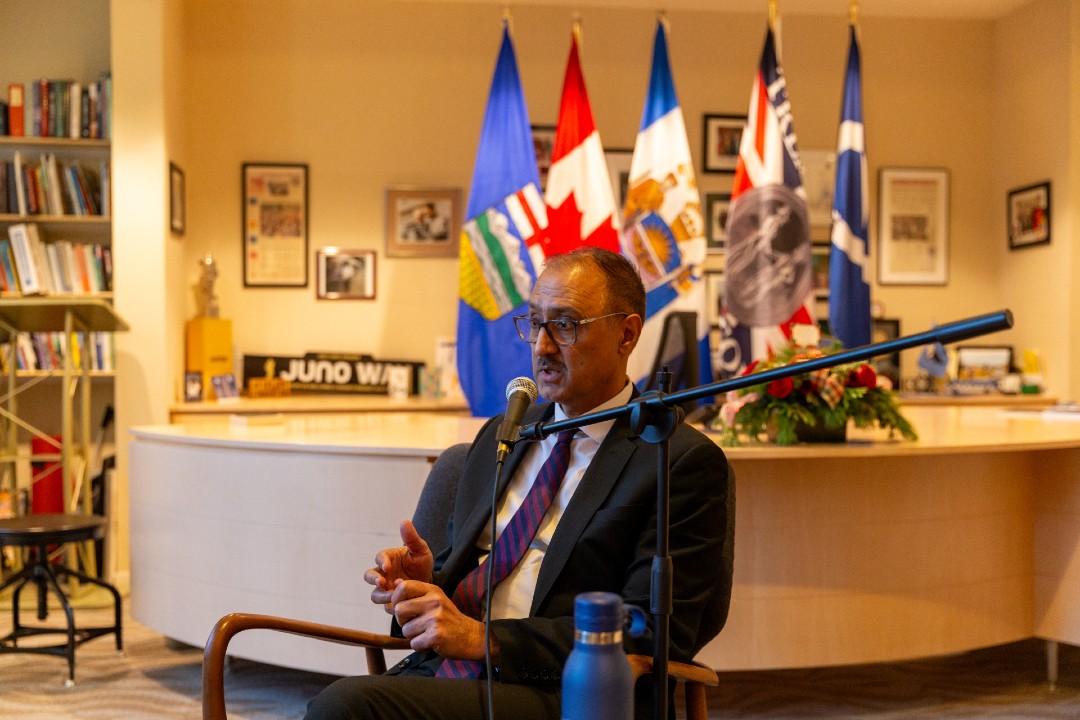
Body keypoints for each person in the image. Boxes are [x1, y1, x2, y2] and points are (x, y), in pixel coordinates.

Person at [305, 247, 731, 720]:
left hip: (567, 690)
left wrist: (485, 639)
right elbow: (472, 578)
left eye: (566, 324)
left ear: (626, 334)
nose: (542, 346)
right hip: (449, 672)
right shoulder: (504, 433)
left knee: (345, 707)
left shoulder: (675, 459)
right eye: (534, 322)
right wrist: (427, 582)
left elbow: (650, 630)